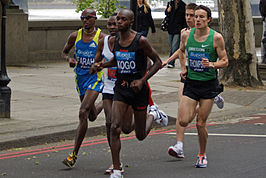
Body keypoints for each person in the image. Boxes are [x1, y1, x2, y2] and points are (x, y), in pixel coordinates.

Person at [91, 8, 167, 178]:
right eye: (118, 19)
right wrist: (102, 65)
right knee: (115, 127)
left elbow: (157, 62)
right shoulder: (115, 40)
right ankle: (117, 170)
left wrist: (142, 80)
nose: (118, 22)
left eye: (123, 19)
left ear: (131, 22)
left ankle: (153, 114)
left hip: (138, 90)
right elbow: (116, 60)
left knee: (139, 135)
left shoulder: (141, 41)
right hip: (122, 88)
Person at [163, 2, 225, 160]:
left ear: (208, 20)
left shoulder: (216, 38)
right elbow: (181, 50)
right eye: (195, 16)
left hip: (208, 84)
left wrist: (212, 64)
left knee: (200, 123)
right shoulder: (186, 35)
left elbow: (225, 61)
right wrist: (172, 62)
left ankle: (202, 154)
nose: (197, 19)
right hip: (191, 82)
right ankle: (207, 102)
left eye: (201, 17)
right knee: (183, 120)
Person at [61, 8, 105, 168]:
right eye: (82, 18)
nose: (85, 20)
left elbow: (112, 56)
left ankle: (73, 154)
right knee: (91, 116)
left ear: (95, 19)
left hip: (95, 79)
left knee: (82, 112)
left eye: (88, 18)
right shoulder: (75, 36)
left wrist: (100, 64)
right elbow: (64, 52)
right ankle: (105, 103)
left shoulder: (102, 37)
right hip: (80, 79)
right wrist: (69, 59)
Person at [165, 0, 187, 68]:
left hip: (178, 29)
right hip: (170, 28)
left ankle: (171, 62)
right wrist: (167, 11)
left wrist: (184, 28)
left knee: (174, 46)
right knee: (171, 46)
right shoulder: (170, 3)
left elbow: (184, 18)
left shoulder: (183, 5)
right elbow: (167, 14)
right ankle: (171, 61)